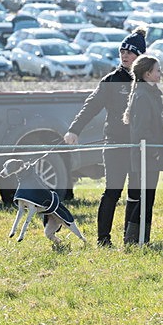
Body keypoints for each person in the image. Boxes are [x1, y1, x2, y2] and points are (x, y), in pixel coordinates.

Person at [64, 28, 146, 247]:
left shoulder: (147, 81)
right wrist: (74, 130)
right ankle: (103, 239)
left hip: (139, 147)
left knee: (136, 193)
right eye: (122, 52)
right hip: (115, 145)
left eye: (130, 52)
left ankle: (131, 238)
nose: (125, 56)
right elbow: (91, 106)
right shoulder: (111, 80)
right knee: (112, 192)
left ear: (140, 56)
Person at [122, 55, 163, 244]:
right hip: (146, 154)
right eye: (157, 70)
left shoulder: (151, 93)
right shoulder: (143, 96)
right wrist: (153, 151)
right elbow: (141, 129)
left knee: (148, 198)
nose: (160, 73)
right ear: (147, 73)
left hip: (151, 153)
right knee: (145, 198)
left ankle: (142, 237)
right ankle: (132, 238)